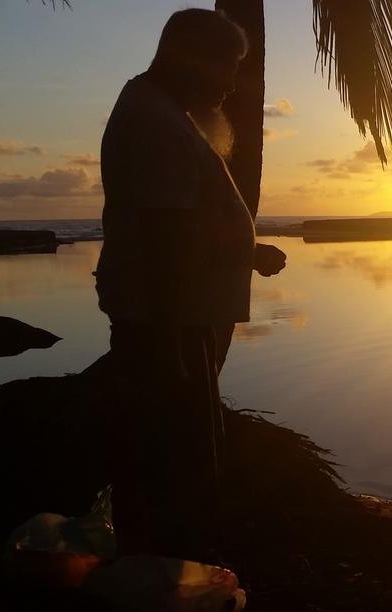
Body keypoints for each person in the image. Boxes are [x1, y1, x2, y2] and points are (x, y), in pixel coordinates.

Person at [96, 9, 285, 557]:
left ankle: (166, 570)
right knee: (172, 459)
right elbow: (163, 236)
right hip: (168, 323)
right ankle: (163, 576)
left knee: (174, 455)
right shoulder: (155, 121)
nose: (231, 82)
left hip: (175, 320)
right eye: (227, 66)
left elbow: (184, 223)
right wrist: (168, 343)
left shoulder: (166, 113)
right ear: (192, 57)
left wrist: (245, 252)